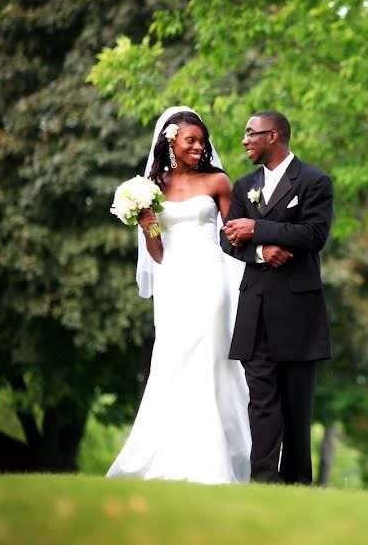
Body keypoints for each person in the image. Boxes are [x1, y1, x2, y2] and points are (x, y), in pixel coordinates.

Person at [107, 106, 251, 484]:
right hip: (172, 283)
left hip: (210, 278)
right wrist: (148, 225)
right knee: (171, 362)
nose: (199, 147)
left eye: (202, 141)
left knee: (209, 358)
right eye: (191, 140)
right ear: (170, 141)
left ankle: (216, 459)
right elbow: (157, 254)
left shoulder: (218, 181)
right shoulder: (152, 189)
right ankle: (167, 455)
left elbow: (234, 233)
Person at [221, 110, 333, 485]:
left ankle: (298, 485)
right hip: (255, 311)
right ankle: (264, 482)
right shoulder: (242, 186)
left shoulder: (315, 181)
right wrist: (259, 251)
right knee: (262, 403)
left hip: (299, 312)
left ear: (274, 136)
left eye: (251, 133)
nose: (244, 140)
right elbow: (227, 239)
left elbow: (315, 234)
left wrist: (258, 228)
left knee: (297, 409)